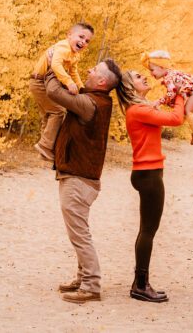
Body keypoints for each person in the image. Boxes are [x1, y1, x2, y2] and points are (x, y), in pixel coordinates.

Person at [44, 58, 123, 304]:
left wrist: (52, 63)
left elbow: (53, 92)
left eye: (95, 70)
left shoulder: (90, 104)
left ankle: (91, 285)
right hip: (80, 178)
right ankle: (82, 278)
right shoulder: (96, 101)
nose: (90, 70)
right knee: (79, 232)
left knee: (79, 235)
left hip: (79, 180)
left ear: (102, 82)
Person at [117, 69, 193, 303]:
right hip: (148, 174)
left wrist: (172, 96)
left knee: (146, 230)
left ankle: (139, 283)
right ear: (129, 87)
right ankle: (141, 285)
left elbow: (167, 113)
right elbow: (176, 119)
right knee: (148, 231)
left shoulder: (141, 108)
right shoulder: (138, 110)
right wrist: (179, 94)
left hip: (147, 173)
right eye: (137, 77)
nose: (144, 77)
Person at [29, 22, 95, 160]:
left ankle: (45, 149)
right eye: (81, 37)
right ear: (69, 35)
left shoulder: (74, 55)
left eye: (87, 41)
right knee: (58, 111)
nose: (83, 42)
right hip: (39, 82)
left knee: (48, 114)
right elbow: (55, 64)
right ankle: (45, 146)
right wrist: (68, 82)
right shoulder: (63, 47)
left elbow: (73, 72)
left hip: (42, 82)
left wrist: (81, 88)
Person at [141, 49, 193, 144]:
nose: (151, 74)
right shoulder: (171, 73)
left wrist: (159, 101)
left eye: (152, 70)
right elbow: (175, 91)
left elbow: (172, 92)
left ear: (161, 67)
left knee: (187, 110)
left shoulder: (168, 78)